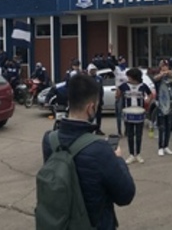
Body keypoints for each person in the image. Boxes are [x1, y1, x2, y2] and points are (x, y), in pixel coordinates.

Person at [41, 73, 135, 229]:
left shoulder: (49, 140)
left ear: (70, 101)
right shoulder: (100, 149)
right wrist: (118, 159)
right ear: (91, 108)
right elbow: (125, 195)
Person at [116, 67, 153, 164]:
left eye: (129, 76)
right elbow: (117, 95)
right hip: (128, 112)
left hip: (139, 112)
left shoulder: (143, 86)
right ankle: (132, 154)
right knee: (130, 134)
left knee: (139, 134)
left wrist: (148, 100)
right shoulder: (124, 86)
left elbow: (150, 94)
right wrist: (118, 90)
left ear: (134, 77)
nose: (128, 78)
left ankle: (138, 154)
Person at [153, 61, 172, 156]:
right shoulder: (158, 76)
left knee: (168, 126)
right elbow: (155, 79)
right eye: (163, 67)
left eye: (166, 67)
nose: (165, 68)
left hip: (169, 103)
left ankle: (166, 146)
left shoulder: (170, 76)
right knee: (161, 126)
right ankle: (160, 147)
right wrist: (162, 74)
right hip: (161, 103)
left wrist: (171, 74)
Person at [87, 64, 105, 135]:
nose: (93, 71)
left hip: (98, 100)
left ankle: (98, 129)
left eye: (94, 70)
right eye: (92, 70)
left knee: (98, 116)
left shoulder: (99, 78)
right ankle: (88, 129)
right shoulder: (87, 79)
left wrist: (101, 99)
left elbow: (101, 89)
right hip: (89, 100)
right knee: (89, 115)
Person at [114, 57, 129, 138]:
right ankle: (119, 131)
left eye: (124, 61)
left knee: (126, 113)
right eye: (121, 61)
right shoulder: (116, 69)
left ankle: (127, 130)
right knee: (118, 113)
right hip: (119, 92)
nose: (123, 62)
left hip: (126, 92)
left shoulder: (127, 70)